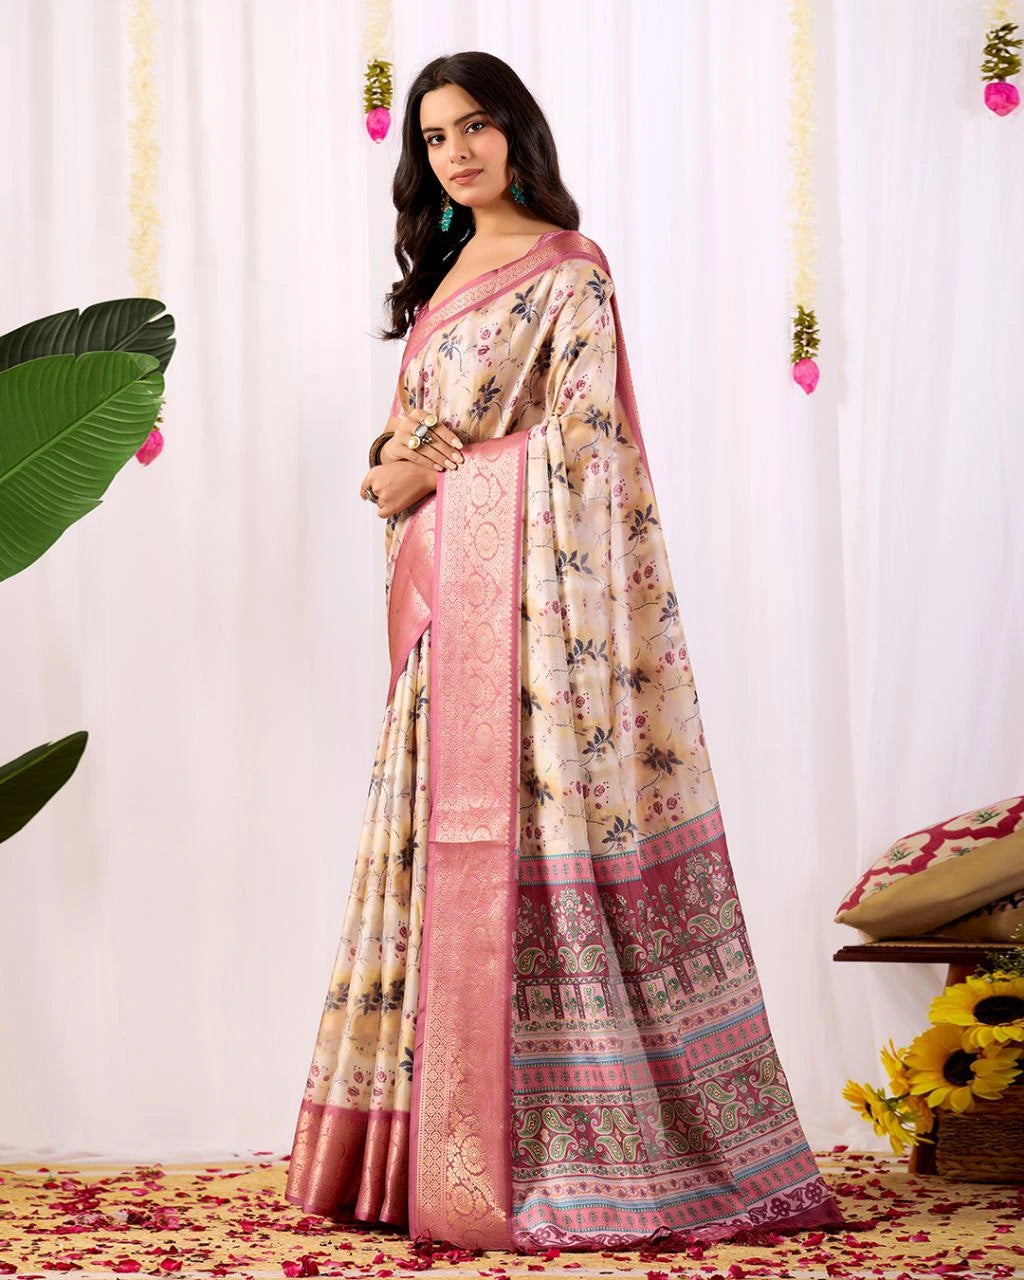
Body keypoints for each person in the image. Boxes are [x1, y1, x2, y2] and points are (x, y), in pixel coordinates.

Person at [284, 50, 842, 1252]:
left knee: (535, 850)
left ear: (517, 133)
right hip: (442, 612)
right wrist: (388, 466)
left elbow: (588, 448)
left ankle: (552, 1147)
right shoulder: (443, 276)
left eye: (476, 125)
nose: (457, 151)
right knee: (435, 852)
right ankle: (408, 1158)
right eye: (435, 136)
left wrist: (441, 475)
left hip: (528, 637)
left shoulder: (566, 270)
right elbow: (413, 430)